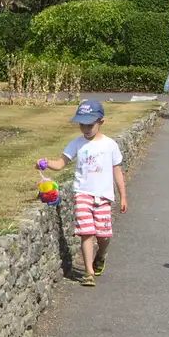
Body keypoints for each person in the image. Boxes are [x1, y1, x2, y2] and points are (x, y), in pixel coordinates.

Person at [47, 99, 127, 287]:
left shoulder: (110, 145)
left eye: (90, 125)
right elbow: (60, 164)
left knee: (104, 235)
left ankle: (101, 254)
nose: (86, 129)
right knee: (86, 232)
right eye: (82, 125)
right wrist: (45, 163)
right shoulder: (77, 144)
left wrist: (123, 195)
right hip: (82, 192)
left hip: (104, 196)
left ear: (101, 122)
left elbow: (117, 171)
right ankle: (88, 272)